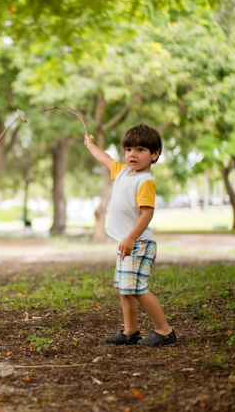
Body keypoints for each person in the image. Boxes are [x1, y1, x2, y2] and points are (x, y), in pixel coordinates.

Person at [83, 123, 176, 346]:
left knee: (136, 289)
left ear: (155, 155)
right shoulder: (123, 172)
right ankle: (130, 331)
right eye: (129, 150)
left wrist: (132, 238)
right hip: (128, 243)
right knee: (124, 289)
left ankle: (165, 330)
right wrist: (90, 145)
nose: (133, 154)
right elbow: (104, 159)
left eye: (141, 150)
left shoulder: (145, 181)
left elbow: (147, 213)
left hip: (139, 243)